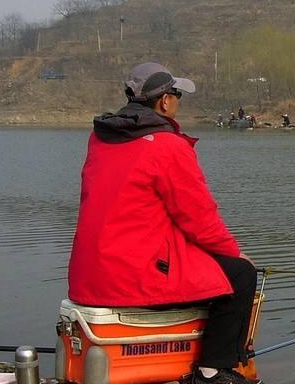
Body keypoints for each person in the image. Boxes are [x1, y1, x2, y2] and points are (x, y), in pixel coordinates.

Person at [67, 62, 260, 384]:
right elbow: (199, 217)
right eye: (177, 94)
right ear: (165, 101)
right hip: (132, 275)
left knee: (207, 264)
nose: (178, 101)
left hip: (88, 274)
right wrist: (235, 253)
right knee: (240, 274)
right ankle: (212, 371)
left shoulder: (101, 138)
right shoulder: (168, 146)